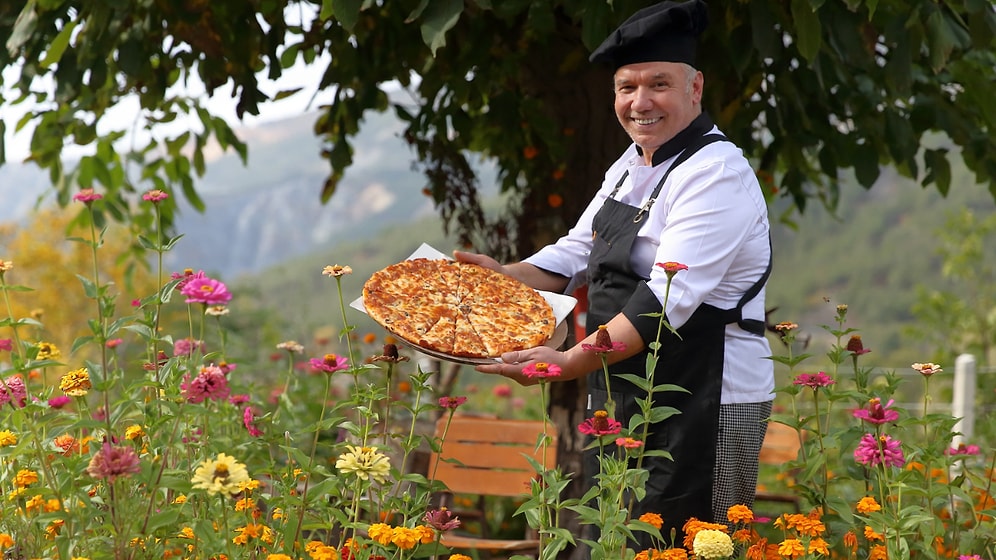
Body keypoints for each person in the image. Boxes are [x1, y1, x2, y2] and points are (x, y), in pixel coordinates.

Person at [455, 0, 774, 548]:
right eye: (627, 87)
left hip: (707, 396)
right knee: (613, 537)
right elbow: (578, 251)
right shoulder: (632, 163)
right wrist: (502, 277)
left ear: (695, 88)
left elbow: (661, 303)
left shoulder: (715, 174)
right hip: (623, 382)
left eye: (659, 84)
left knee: (689, 544)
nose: (640, 102)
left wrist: (568, 363)